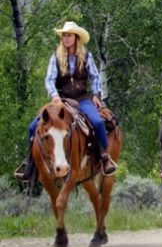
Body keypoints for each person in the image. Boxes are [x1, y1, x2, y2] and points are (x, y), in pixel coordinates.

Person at [15, 21, 115, 181]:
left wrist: (96, 94)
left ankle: (105, 157)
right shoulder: (55, 57)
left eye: (69, 35)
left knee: (97, 122)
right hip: (61, 100)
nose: (66, 38)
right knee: (32, 127)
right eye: (64, 36)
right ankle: (29, 163)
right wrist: (54, 96)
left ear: (76, 38)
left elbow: (95, 76)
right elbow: (49, 79)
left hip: (82, 99)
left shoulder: (87, 56)